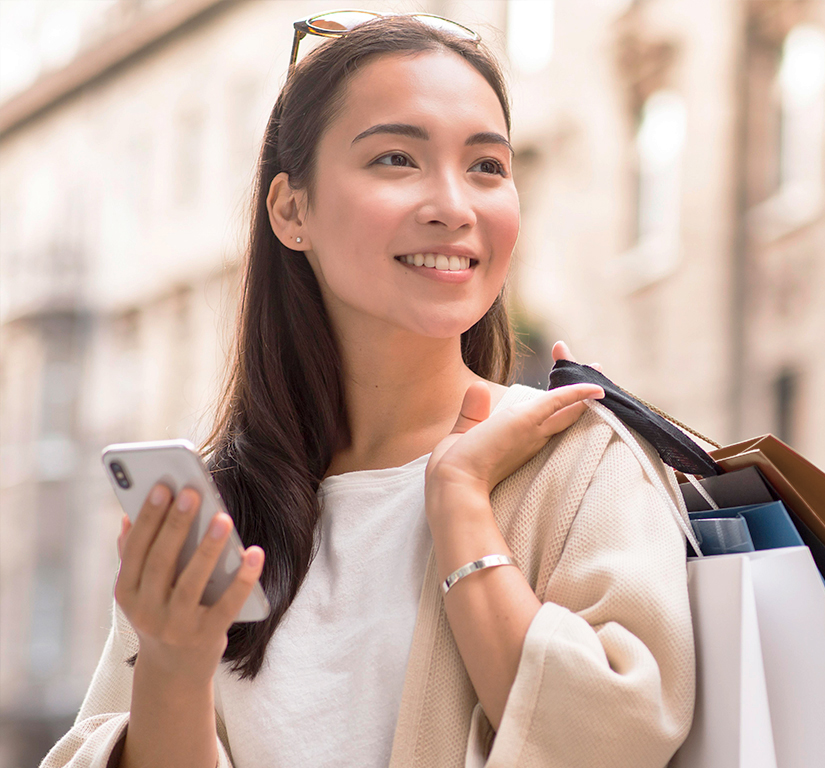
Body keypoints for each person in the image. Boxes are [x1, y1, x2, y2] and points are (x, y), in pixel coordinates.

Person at [43, 12, 695, 768]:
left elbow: (617, 740)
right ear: (292, 210)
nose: (454, 205)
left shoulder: (578, 463)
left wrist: (460, 506)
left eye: (487, 166)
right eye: (396, 159)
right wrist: (174, 665)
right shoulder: (217, 507)